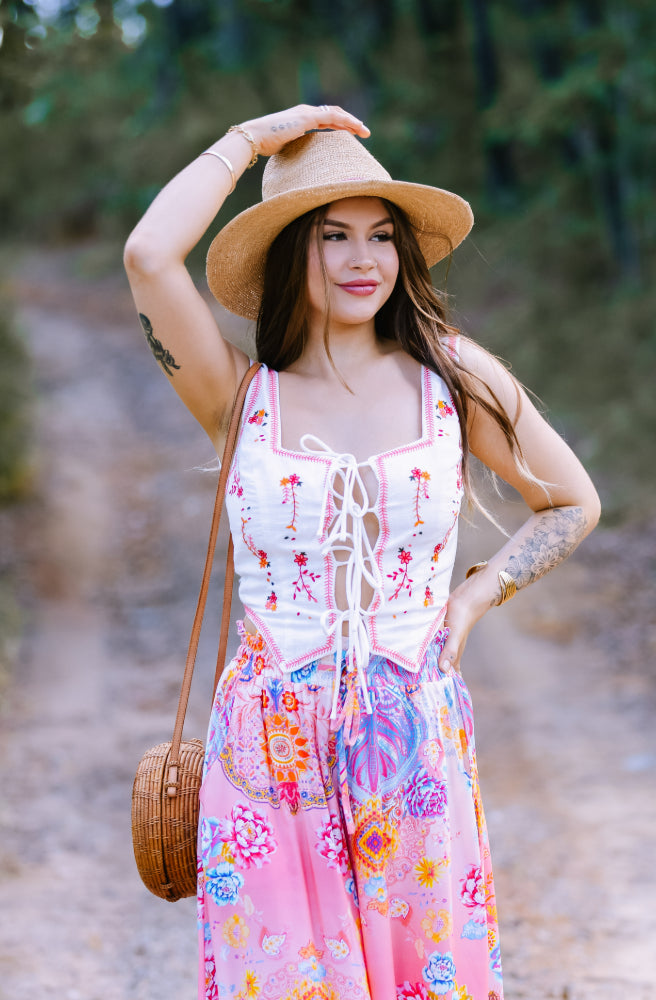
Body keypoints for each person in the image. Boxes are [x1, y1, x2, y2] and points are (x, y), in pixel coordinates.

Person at [124, 104, 600, 1000]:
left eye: (381, 236)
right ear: (287, 252)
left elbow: (572, 502)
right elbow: (149, 256)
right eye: (332, 235)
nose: (362, 259)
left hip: (412, 736)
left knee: (422, 980)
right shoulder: (240, 396)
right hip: (267, 748)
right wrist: (249, 140)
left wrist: (476, 595)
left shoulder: (453, 376)